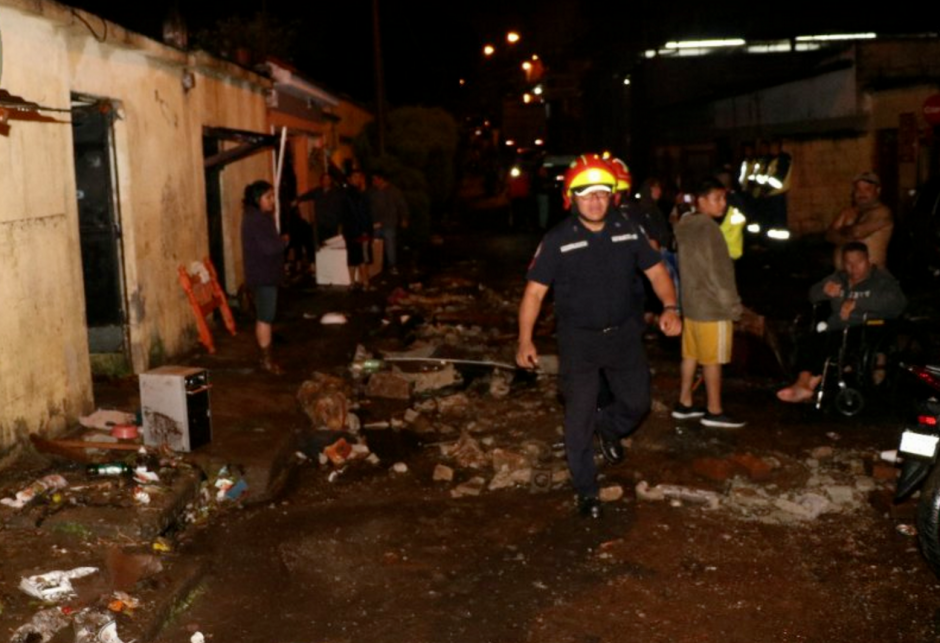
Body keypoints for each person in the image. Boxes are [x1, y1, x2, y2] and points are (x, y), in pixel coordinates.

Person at [516, 154, 682, 519]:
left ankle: (607, 427)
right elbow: (534, 293)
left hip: (623, 336)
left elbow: (656, 271)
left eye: (602, 194)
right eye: (586, 194)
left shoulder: (627, 230)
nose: (595, 201)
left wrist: (671, 307)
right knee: (577, 421)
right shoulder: (558, 239)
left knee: (638, 404)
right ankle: (587, 491)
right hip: (579, 342)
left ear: (613, 197)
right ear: (572, 198)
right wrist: (525, 340)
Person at [777, 241, 907, 402]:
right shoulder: (839, 278)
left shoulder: (881, 280)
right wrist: (823, 290)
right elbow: (812, 295)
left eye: (858, 262)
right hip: (837, 327)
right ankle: (804, 383)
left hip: (868, 327)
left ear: (868, 260)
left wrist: (858, 303)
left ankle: (808, 384)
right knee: (810, 340)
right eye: (849, 263)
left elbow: (898, 304)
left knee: (835, 341)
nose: (853, 268)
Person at [672, 177, 746, 428]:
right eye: (716, 198)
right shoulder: (710, 229)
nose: (723, 204)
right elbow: (720, 273)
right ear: (701, 201)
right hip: (712, 307)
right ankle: (714, 410)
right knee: (712, 361)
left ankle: (685, 402)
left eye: (724, 198)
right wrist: (733, 306)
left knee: (691, 355)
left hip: (691, 304)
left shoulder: (685, 224)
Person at [241, 180, 288, 375]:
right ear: (257, 198)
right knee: (265, 318)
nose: (272, 201)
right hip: (263, 276)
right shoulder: (256, 219)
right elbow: (269, 247)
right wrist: (283, 242)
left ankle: (266, 358)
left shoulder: (258, 217)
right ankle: (266, 361)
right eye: (268, 197)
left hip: (264, 274)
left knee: (265, 316)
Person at [826, 172, 893, 269]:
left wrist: (841, 232)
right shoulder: (847, 212)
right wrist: (850, 237)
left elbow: (858, 232)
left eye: (867, 189)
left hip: (872, 279)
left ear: (878, 191)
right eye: (858, 189)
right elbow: (829, 235)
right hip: (845, 278)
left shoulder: (883, 212)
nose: (862, 193)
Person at [369, 170, 410, 273]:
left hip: (389, 222)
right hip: (375, 223)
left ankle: (392, 265)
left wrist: (404, 218)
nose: (373, 181)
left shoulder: (394, 191)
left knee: (390, 244)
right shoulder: (372, 192)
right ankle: (376, 265)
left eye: (375, 179)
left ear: (381, 179)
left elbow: (402, 205)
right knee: (375, 244)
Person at [343, 170, 374, 290]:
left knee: (354, 257)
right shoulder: (355, 195)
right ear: (350, 179)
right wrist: (366, 229)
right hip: (358, 230)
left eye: (359, 177)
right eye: (355, 177)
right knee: (361, 257)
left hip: (351, 230)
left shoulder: (352, 194)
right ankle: (364, 283)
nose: (357, 179)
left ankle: (354, 282)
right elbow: (361, 213)